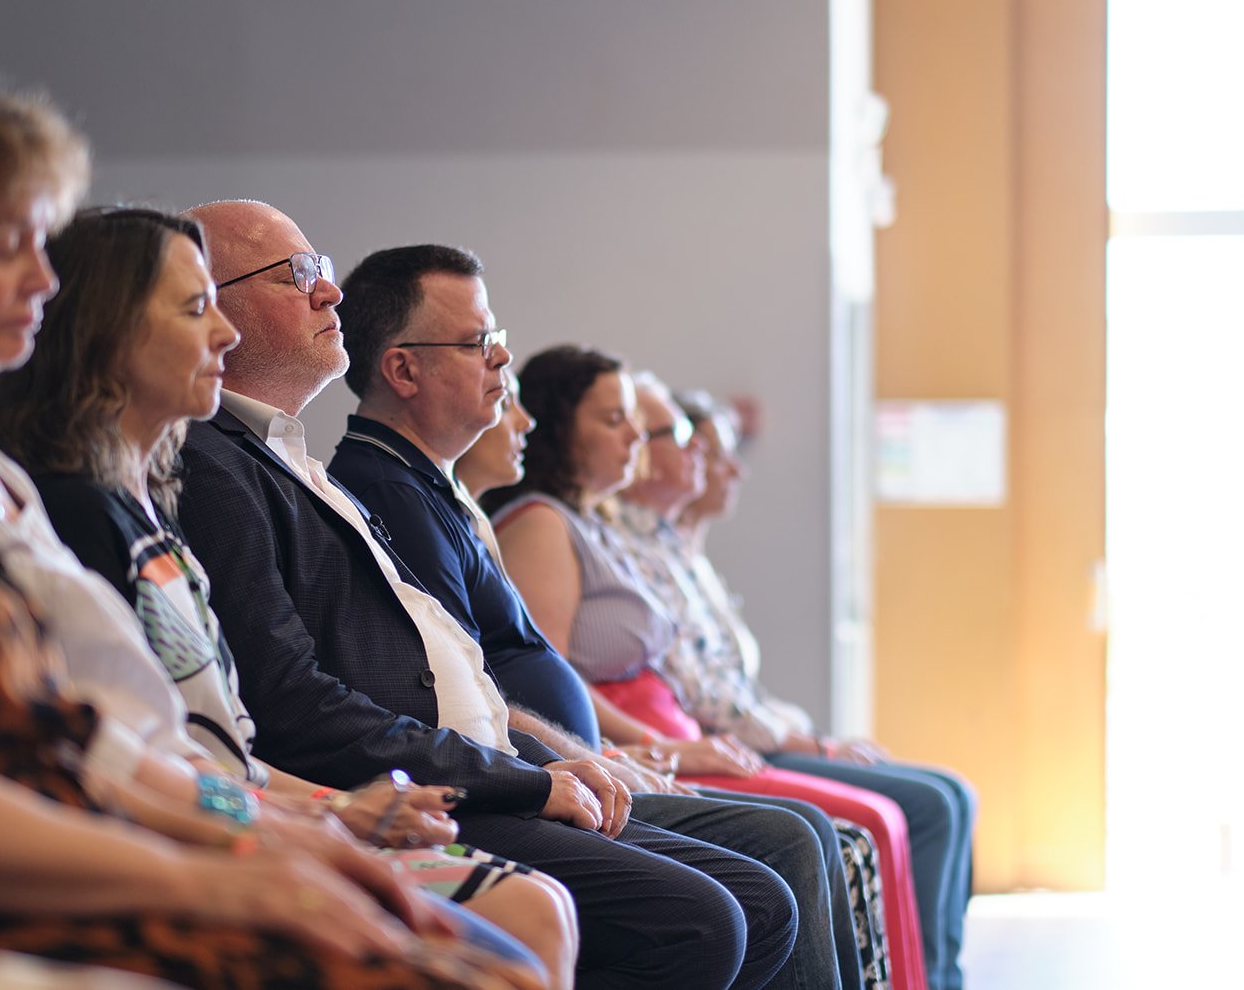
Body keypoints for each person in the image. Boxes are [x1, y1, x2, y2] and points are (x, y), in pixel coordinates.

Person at [0, 0, 528, 990]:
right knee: (474, 957)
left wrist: (268, 831)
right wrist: (234, 858)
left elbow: (96, 746)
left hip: (117, 836)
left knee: (487, 947)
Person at [172, 199, 799, 990]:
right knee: (710, 913)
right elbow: (298, 701)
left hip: (499, 769)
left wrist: (552, 763)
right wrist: (546, 773)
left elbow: (459, 672)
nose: (327, 292)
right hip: (431, 791)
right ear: (211, 308)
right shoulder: (232, 468)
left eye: (324, 273)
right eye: (300, 276)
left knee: (762, 893)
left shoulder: (304, 462)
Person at [0, 198, 571, 985]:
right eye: (196, 309)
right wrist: (314, 815)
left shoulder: (145, 502)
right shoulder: (85, 508)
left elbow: (224, 744)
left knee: (542, 914)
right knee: (530, 927)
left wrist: (319, 809)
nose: (221, 332)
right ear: (109, 333)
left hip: (252, 805)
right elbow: (140, 758)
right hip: (195, 829)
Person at [327, 242, 879, 990]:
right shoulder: (388, 491)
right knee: (764, 867)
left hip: (571, 767)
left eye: (499, 340)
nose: (500, 361)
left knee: (793, 845)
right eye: (478, 342)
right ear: (403, 370)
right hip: (522, 780)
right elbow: (458, 697)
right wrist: (579, 760)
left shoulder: (432, 490)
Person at [485, 345, 934, 990]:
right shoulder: (543, 525)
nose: (634, 435)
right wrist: (658, 747)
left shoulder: (602, 527)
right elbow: (543, 670)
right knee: (820, 836)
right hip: (623, 748)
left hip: (654, 743)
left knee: (873, 818)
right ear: (562, 428)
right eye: (615, 420)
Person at [612, 375, 976, 990]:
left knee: (948, 792)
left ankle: (939, 977)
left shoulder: (676, 551)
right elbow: (703, 696)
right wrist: (814, 746)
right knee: (916, 807)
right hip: (706, 740)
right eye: (697, 445)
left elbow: (733, 683)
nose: (721, 467)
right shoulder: (618, 546)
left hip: (724, 733)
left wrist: (807, 732)